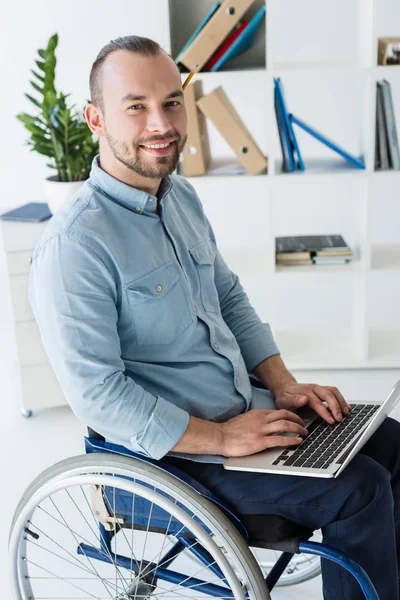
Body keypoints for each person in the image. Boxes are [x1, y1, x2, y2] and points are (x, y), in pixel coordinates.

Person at [29, 35, 400, 599]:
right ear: (95, 119)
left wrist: (284, 385)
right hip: (172, 460)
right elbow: (99, 395)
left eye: (172, 102)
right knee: (362, 487)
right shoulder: (74, 244)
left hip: (246, 416)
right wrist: (223, 439)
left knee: (393, 445)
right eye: (137, 106)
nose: (162, 122)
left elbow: (228, 298)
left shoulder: (180, 198)